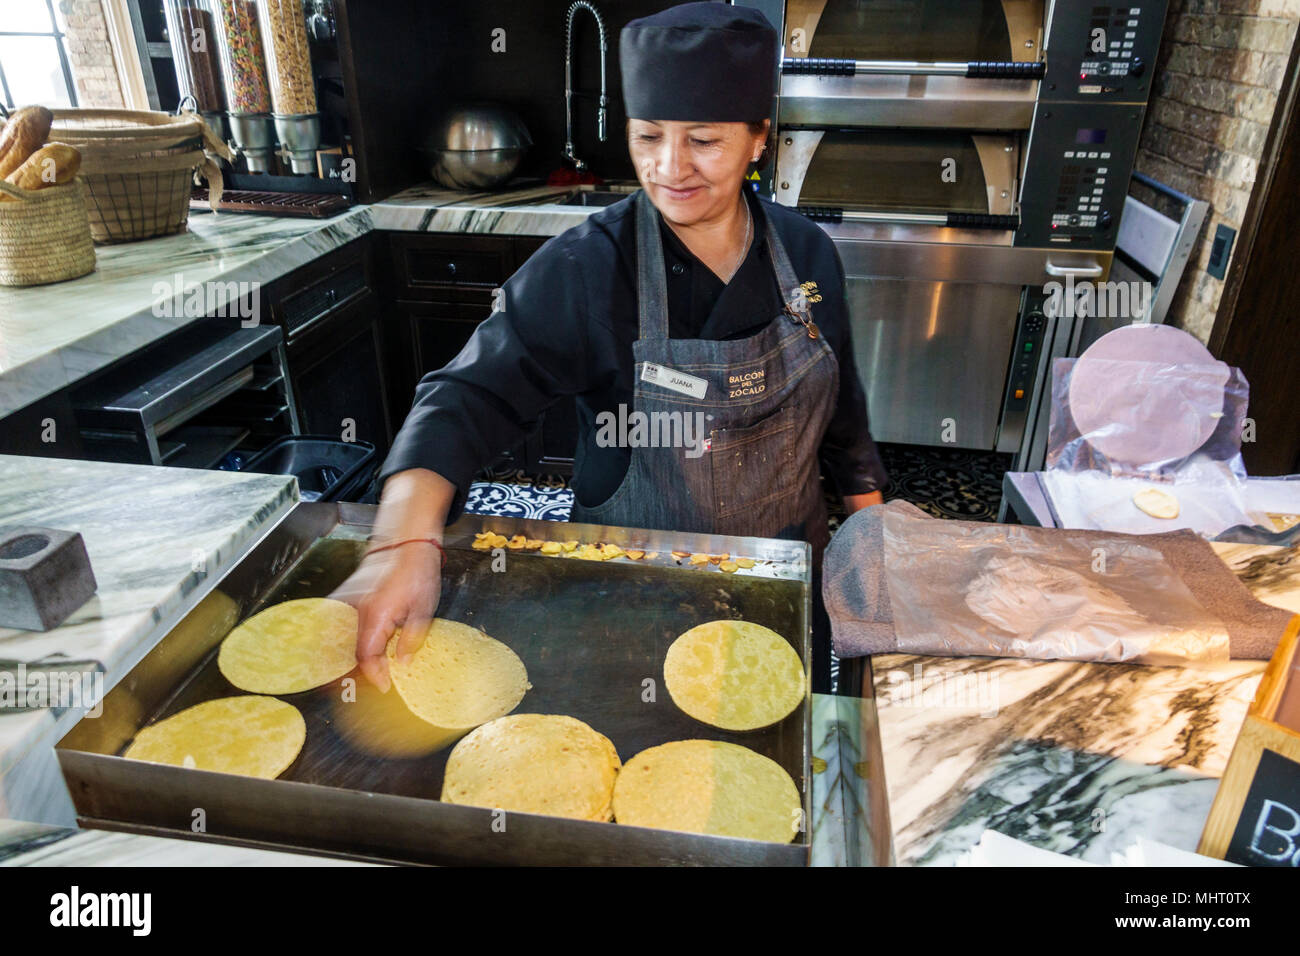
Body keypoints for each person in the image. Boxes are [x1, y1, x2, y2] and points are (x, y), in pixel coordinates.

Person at [333, 2, 886, 694]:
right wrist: (404, 541)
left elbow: (843, 417)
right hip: (627, 585)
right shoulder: (589, 267)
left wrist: (877, 542)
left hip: (779, 579)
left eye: (704, 141)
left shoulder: (806, 254)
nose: (669, 168)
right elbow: (469, 394)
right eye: (648, 135)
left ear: (758, 140)